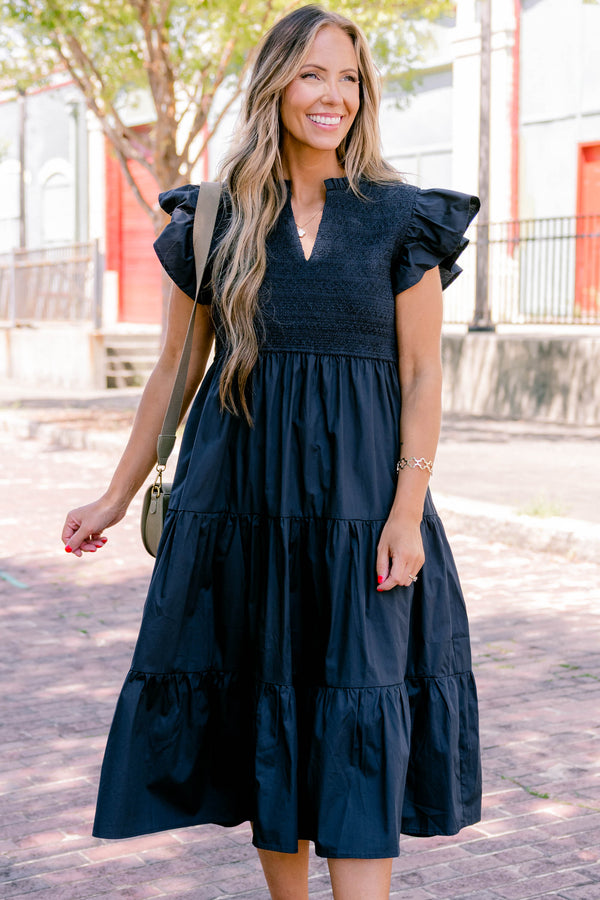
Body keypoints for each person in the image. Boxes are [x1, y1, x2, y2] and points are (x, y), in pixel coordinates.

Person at [62, 5, 481, 898]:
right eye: (313, 74)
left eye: (349, 78)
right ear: (275, 85)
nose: (333, 95)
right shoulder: (214, 216)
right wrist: (112, 495)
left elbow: (421, 376)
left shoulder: (405, 217)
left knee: (360, 707)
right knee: (269, 707)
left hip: (363, 505)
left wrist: (406, 514)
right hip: (241, 499)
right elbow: (176, 370)